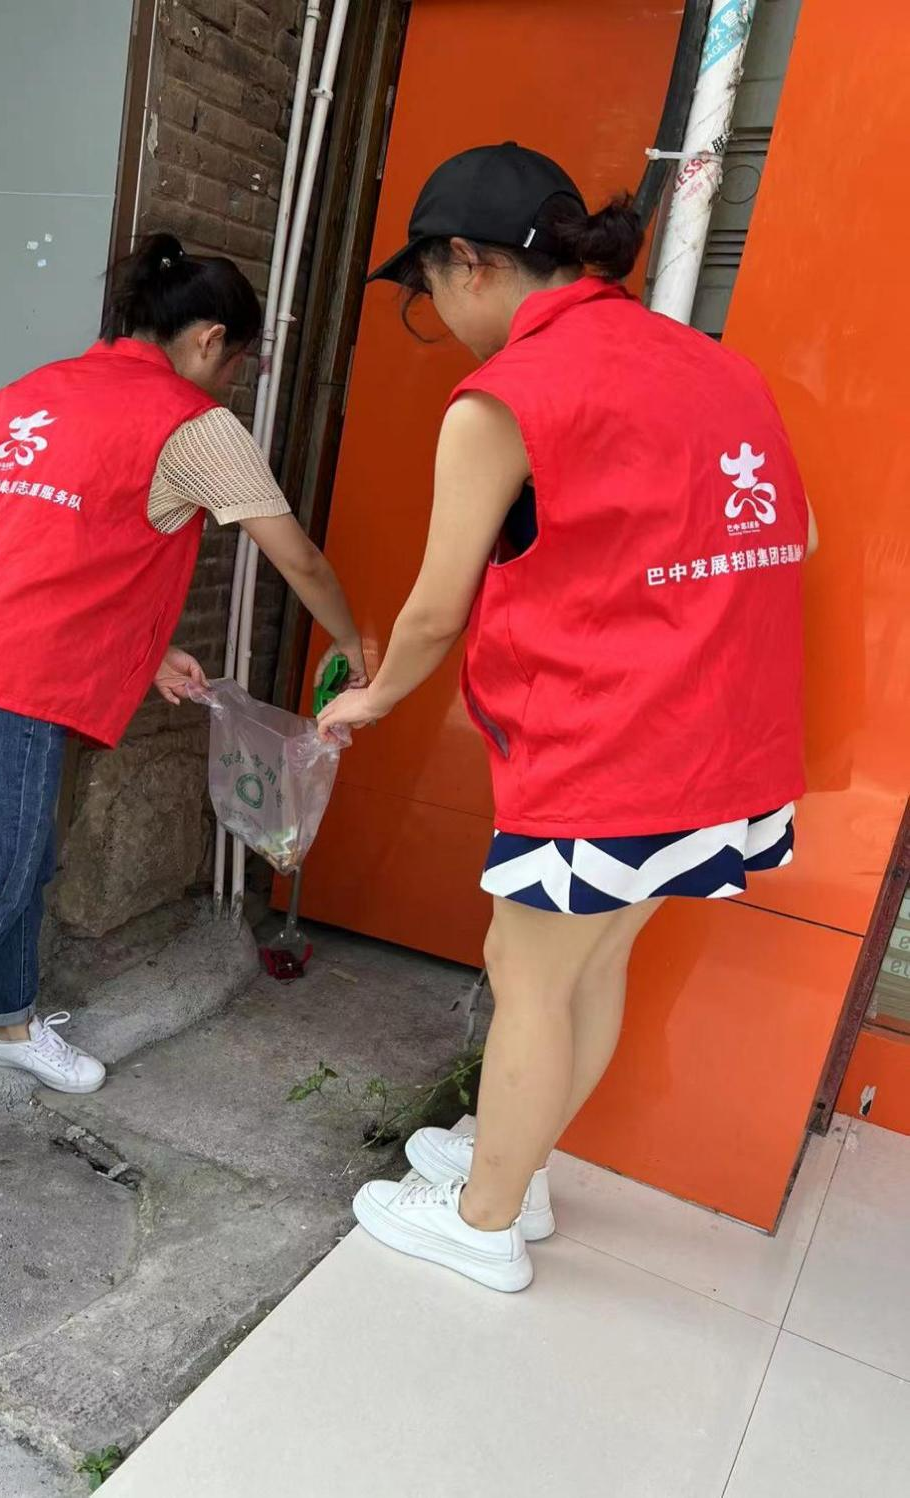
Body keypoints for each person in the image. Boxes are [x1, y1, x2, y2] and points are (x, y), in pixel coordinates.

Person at [318, 143, 817, 1294]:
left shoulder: (509, 395)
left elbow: (435, 607)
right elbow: (796, 538)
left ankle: (485, 1218)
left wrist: (371, 698)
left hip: (613, 746)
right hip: (728, 747)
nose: (441, 318)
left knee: (529, 972)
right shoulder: (714, 367)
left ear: (468, 262)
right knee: (591, 964)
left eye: (428, 292)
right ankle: (520, 1160)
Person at [0, 233, 366, 1150]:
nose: (232, 385)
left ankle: (7, 1025)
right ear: (210, 340)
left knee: (21, 862)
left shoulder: (32, 393)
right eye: (239, 365)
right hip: (6, 680)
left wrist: (150, 649)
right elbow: (295, 557)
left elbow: (52, 545)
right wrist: (354, 641)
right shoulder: (192, 424)